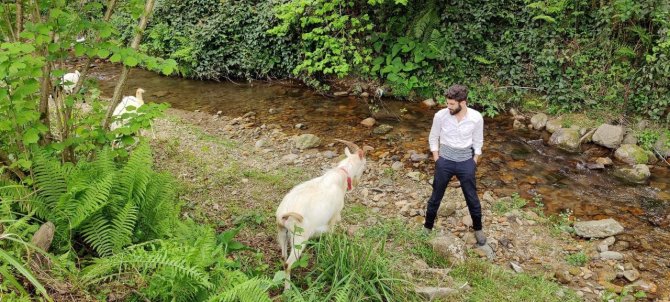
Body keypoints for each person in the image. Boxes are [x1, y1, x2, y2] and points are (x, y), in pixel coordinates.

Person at [424, 84, 486, 246]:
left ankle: (478, 228)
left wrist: (475, 160)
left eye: (452, 104)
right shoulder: (440, 116)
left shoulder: (476, 117)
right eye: (447, 103)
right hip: (445, 161)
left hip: (466, 161)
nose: (448, 107)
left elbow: (478, 141)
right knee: (436, 196)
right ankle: (427, 227)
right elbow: (433, 137)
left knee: (472, 197)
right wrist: (437, 158)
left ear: (463, 102)